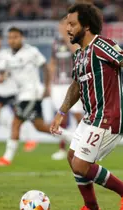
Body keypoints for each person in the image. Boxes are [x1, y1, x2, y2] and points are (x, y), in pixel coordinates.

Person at [50, 3, 123, 210]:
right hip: (92, 116)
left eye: (72, 24)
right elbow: (77, 86)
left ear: (86, 26)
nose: (67, 28)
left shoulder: (101, 45)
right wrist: (61, 112)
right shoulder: (79, 55)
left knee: (81, 164)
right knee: (72, 158)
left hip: (110, 116)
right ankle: (91, 206)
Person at [0, 27, 72, 166]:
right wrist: (0, 78)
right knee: (40, 126)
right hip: (21, 94)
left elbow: (45, 67)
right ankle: (74, 138)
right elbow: (5, 73)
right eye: (10, 37)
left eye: (15, 37)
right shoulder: (7, 56)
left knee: (15, 122)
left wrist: (47, 87)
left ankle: (7, 158)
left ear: (22, 38)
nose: (12, 40)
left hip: (31, 94)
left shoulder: (31, 51)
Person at [0, 31, 37, 152]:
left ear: (0, 41)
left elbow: (9, 69)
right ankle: (13, 133)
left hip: (12, 90)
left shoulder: (5, 54)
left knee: (19, 116)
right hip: (1, 91)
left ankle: (29, 139)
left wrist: (3, 77)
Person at [49, 19, 84, 160]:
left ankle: (83, 144)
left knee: (77, 115)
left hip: (72, 84)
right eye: (60, 25)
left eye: (64, 25)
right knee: (61, 116)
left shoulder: (75, 41)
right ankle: (63, 149)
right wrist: (49, 83)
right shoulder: (55, 42)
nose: (61, 27)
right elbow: (52, 63)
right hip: (57, 84)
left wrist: (66, 37)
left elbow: (77, 53)